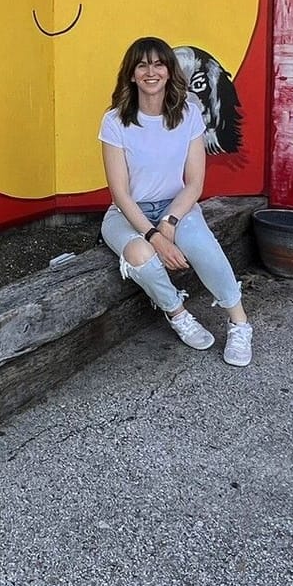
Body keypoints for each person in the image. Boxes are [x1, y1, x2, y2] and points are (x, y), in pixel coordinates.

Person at [98, 35, 254, 366]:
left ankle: (239, 323)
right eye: (142, 65)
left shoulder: (188, 115)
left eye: (158, 64)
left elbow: (194, 183)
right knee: (140, 255)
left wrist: (169, 223)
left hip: (176, 206)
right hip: (127, 213)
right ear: (131, 74)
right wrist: (154, 237)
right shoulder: (114, 121)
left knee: (202, 246)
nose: (150, 72)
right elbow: (120, 194)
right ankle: (178, 313)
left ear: (169, 71)